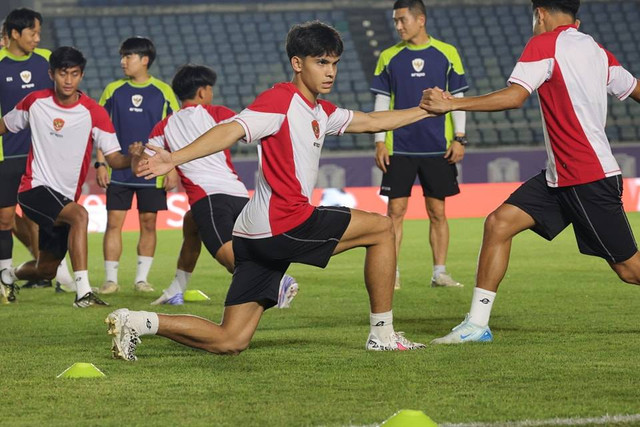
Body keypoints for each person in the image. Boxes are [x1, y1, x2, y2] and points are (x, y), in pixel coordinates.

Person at [105, 21, 435, 360]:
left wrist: (426, 110)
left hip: (253, 235)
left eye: (334, 63)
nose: (330, 72)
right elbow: (231, 129)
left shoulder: (321, 111)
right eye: (321, 62)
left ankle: (136, 321)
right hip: (284, 223)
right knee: (381, 228)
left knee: (230, 339)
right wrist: (173, 158)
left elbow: (372, 121)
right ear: (297, 63)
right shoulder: (279, 100)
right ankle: (382, 334)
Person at [420, 0, 640, 343]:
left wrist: (452, 104)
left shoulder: (544, 42)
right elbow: (636, 89)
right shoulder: (597, 51)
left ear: (540, 13)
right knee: (498, 223)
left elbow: (514, 97)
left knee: (629, 270)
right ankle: (477, 325)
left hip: (585, 177)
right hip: (561, 176)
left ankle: (477, 325)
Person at [143, 64, 298, 308]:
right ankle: (176, 290)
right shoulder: (218, 113)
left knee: (227, 256)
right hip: (239, 194)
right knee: (191, 224)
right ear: (203, 92)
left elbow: (144, 163)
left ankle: (278, 283)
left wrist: (145, 158)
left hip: (209, 198)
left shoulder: (163, 126)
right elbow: (255, 128)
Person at [0, 46, 134, 307]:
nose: (68, 80)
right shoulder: (34, 102)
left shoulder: (94, 112)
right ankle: (83, 293)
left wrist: (135, 159)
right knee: (80, 215)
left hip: (63, 198)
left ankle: (7, 274)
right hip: (33, 189)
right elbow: (4, 125)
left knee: (46, 270)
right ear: (52, 74)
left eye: (74, 74)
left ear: (81, 75)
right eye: (63, 73)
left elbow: (115, 158)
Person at [372, 0, 469, 290]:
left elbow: (458, 98)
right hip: (398, 147)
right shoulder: (388, 56)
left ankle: (440, 272)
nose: (398, 26)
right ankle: (393, 273)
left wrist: (460, 138)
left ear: (421, 20)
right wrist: (379, 141)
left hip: (437, 147)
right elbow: (380, 99)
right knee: (395, 213)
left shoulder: (447, 53)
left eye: (402, 20)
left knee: (438, 212)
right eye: (395, 21)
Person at [96, 36, 180, 295]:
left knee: (148, 223)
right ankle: (110, 280)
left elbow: (175, 131)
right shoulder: (113, 90)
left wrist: (173, 167)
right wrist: (100, 163)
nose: (123, 62)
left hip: (152, 171)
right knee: (113, 223)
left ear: (144, 60)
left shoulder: (163, 91)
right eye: (122, 56)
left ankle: (141, 279)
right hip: (118, 168)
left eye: (128, 56)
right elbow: (100, 128)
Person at [0, 8, 75, 294]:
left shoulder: (47, 61)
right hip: (6, 153)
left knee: (49, 215)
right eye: (32, 32)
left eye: (39, 32)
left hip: (43, 154)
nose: (37, 37)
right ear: (15, 34)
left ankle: (62, 274)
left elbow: (66, 96)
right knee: (5, 217)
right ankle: (5, 277)